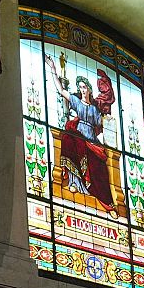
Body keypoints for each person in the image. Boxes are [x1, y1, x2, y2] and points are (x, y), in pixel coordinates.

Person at [45, 52, 120, 217]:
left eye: (84, 87)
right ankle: (75, 183)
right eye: (79, 87)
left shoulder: (94, 109)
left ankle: (108, 204)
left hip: (92, 140)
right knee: (70, 142)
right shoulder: (76, 102)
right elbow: (60, 90)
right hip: (79, 135)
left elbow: (103, 125)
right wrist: (52, 69)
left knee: (99, 168)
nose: (82, 90)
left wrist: (109, 124)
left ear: (89, 89)